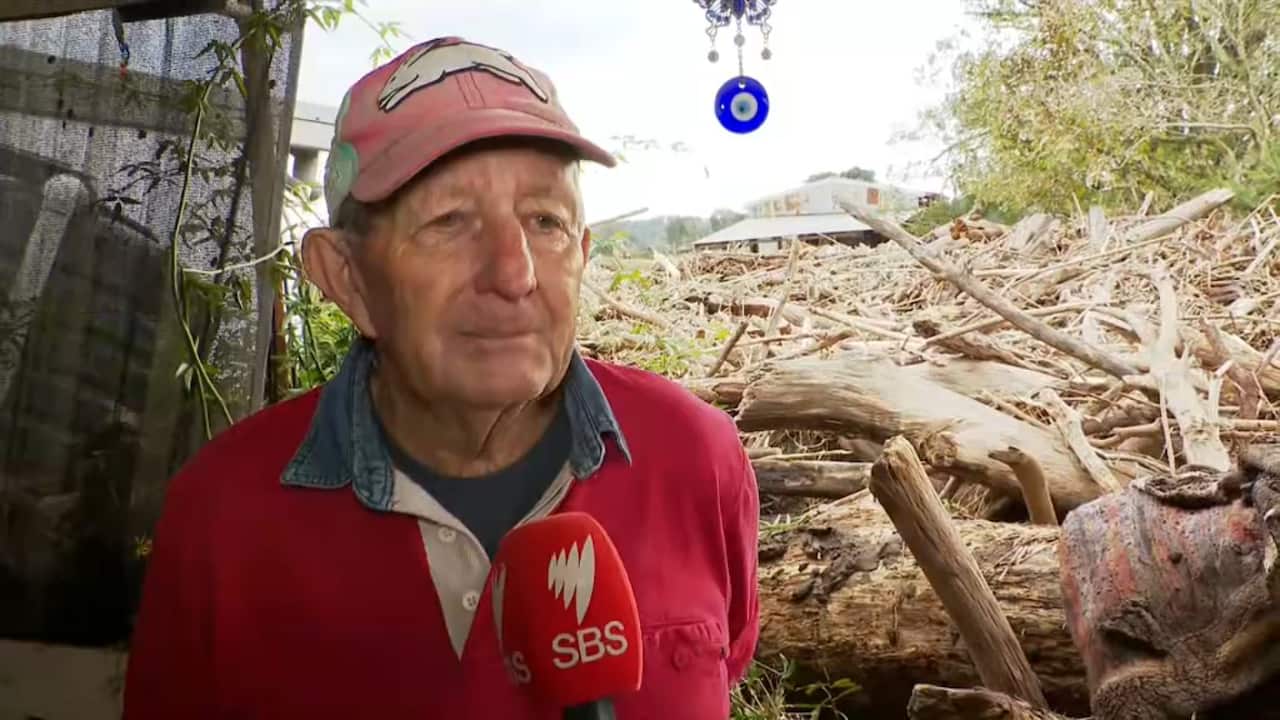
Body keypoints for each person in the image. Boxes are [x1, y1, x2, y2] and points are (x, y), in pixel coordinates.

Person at [122, 36, 760, 719]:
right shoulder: (222, 516)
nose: (514, 274)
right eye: (449, 222)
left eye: (545, 221)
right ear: (347, 277)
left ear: (580, 254)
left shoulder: (697, 457)